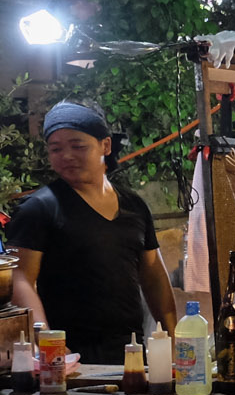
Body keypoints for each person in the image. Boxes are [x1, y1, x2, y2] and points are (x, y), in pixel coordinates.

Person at [10, 101, 176, 366]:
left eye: (78, 146)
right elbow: (20, 279)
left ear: (105, 146)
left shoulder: (134, 205)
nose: (66, 156)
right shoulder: (40, 208)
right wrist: (45, 339)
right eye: (56, 149)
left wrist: (174, 337)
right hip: (69, 357)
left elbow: (154, 275)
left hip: (130, 352)